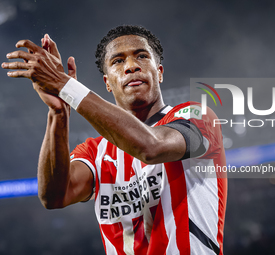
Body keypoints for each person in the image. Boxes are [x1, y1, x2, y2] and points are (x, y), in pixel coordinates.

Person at [2, 25, 227, 255]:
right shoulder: (94, 151)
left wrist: (66, 85)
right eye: (118, 61)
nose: (131, 66)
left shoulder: (197, 116)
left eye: (141, 56)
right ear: (108, 83)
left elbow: (151, 147)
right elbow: (54, 196)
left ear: (159, 72)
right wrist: (58, 112)